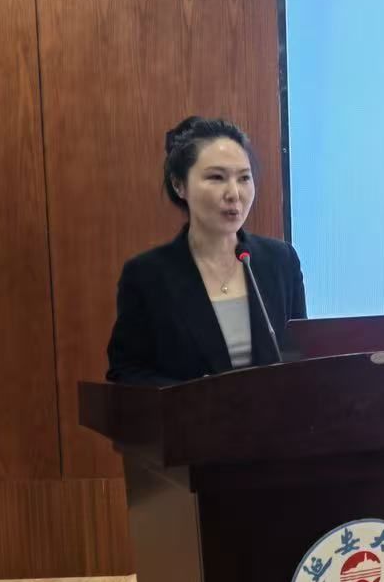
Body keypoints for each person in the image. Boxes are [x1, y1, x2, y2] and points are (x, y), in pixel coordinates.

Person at [105, 116, 306, 385]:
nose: (234, 193)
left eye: (244, 178)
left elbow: (301, 355)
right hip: (192, 413)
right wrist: (194, 397)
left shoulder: (280, 261)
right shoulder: (147, 276)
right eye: (216, 177)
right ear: (179, 185)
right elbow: (126, 371)